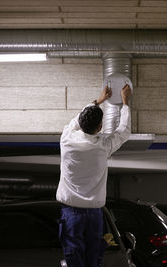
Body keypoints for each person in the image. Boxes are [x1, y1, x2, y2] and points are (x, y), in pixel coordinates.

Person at [56, 84, 132, 267]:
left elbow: (76, 120)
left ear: (81, 123)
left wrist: (98, 101)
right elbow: (124, 131)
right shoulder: (103, 146)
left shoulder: (66, 139)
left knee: (74, 258)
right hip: (94, 215)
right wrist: (125, 103)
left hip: (71, 213)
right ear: (99, 128)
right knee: (94, 259)